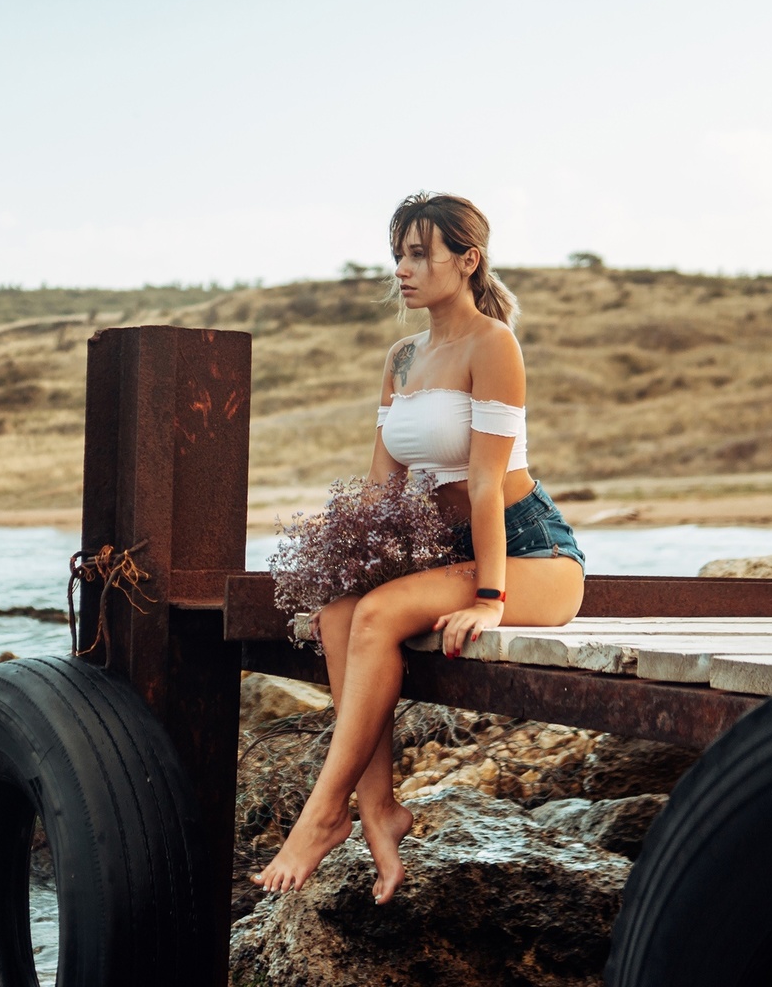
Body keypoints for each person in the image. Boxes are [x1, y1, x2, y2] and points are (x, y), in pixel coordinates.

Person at [251, 192, 586, 904]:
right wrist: (344, 567)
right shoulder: (401, 358)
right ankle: (378, 809)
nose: (402, 270)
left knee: (375, 620)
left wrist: (493, 601)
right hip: (449, 556)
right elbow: (382, 486)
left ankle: (322, 813)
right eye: (397, 255)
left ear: (467, 261)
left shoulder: (493, 345)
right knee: (343, 615)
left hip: (530, 558)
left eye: (418, 254)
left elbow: (489, 485)